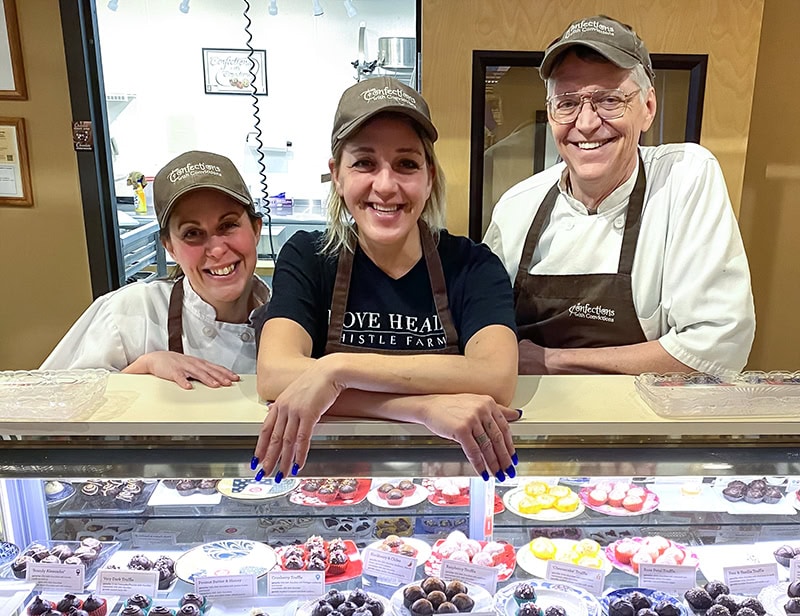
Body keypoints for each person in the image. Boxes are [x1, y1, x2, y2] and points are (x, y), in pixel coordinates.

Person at [252, 77, 520, 482]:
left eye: (406, 164)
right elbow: (275, 374)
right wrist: (421, 408)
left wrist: (334, 371)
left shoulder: (473, 266)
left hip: (447, 476)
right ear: (337, 176)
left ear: (429, 178)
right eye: (363, 163)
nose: (386, 185)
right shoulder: (308, 256)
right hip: (331, 473)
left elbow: (494, 378)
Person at [483, 15, 755, 378]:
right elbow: (480, 332)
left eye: (609, 100)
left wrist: (552, 361)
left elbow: (719, 348)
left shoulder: (684, 177)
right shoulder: (518, 205)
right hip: (532, 424)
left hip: (643, 428)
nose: (586, 123)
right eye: (567, 103)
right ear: (550, 114)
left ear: (648, 108)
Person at [41, 150, 270, 389]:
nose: (216, 249)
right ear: (169, 247)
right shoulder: (129, 312)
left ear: (256, 229)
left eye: (228, 225)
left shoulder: (294, 317)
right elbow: (50, 405)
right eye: (192, 233)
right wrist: (144, 366)